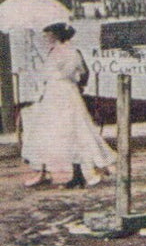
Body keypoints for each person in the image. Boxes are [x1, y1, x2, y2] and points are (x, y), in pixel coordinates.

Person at [20, 22, 115, 189]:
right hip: (55, 93)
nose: (46, 37)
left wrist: (75, 85)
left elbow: (82, 72)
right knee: (50, 131)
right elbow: (78, 73)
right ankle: (46, 172)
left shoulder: (69, 51)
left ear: (56, 34)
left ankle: (80, 174)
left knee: (73, 131)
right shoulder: (57, 51)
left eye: (48, 33)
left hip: (63, 93)